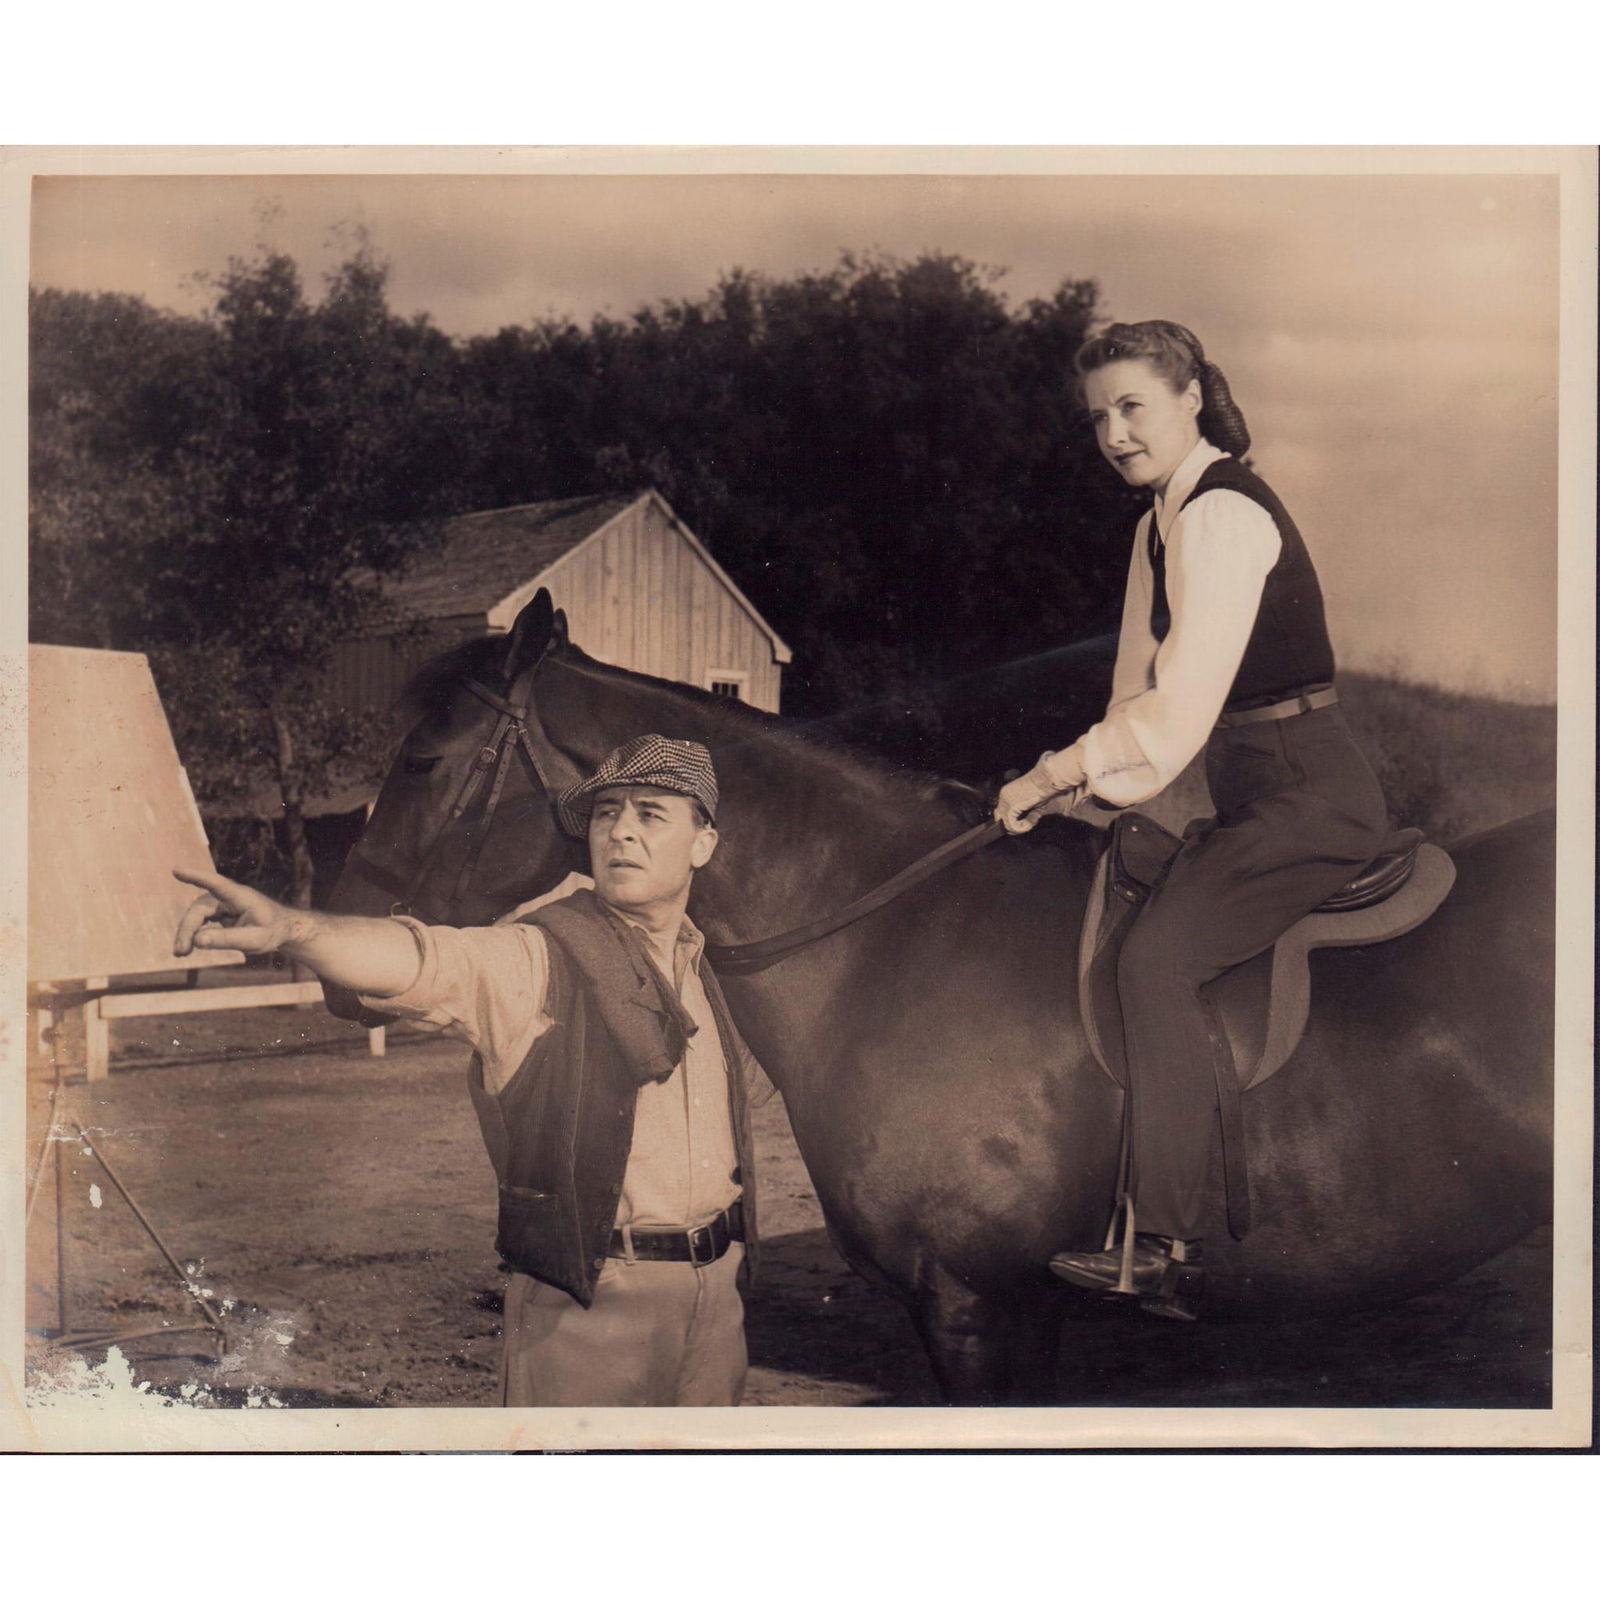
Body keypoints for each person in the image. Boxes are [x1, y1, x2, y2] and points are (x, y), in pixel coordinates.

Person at [174, 734, 771, 1405]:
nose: (620, 832)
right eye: (607, 813)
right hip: (593, 1306)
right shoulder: (540, 957)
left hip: (718, 1300)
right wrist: (295, 930)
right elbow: (429, 960)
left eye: (650, 814)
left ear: (703, 844)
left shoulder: (706, 970)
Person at [993, 320, 1390, 1320]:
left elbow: (1178, 711)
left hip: (1312, 791)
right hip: (1245, 788)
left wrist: (1051, 772)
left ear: (1189, 400)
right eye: (1097, 419)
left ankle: (1165, 1243)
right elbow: (1136, 691)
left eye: (1132, 407)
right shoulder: (1157, 521)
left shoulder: (1221, 514)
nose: (1115, 434)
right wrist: (1081, 788)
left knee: (1153, 962)